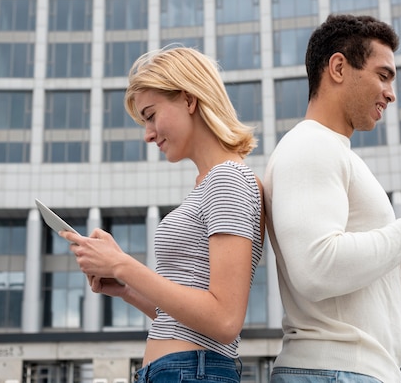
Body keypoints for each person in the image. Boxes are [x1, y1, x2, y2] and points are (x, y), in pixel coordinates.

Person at [263, 14, 401, 383]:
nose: (391, 93)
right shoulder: (310, 145)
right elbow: (317, 270)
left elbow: (367, 285)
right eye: (383, 75)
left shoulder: (335, 152)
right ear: (338, 67)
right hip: (332, 371)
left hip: (348, 372)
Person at [61, 46, 265, 383]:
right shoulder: (209, 183)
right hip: (179, 371)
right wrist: (127, 288)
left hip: (191, 372)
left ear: (188, 100)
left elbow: (225, 320)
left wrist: (121, 264)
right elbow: (189, 320)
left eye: (151, 115)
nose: (148, 134)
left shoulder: (227, 178)